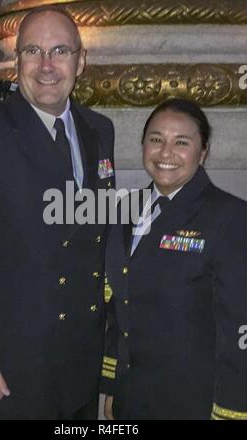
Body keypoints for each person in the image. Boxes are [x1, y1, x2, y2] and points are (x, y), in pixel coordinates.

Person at [0, 7, 115, 420]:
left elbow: (101, 246)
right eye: (32, 51)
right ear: (17, 61)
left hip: (80, 365)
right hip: (8, 372)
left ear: (81, 61)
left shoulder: (100, 130)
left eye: (60, 51)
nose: (46, 66)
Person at [101, 98, 247, 420]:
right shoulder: (124, 210)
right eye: (156, 140)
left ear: (203, 151)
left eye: (182, 142)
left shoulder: (230, 218)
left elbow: (239, 326)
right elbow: (119, 309)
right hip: (131, 399)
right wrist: (113, 388)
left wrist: (231, 411)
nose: (166, 153)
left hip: (194, 403)